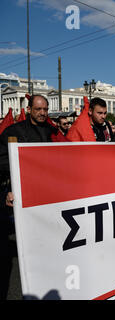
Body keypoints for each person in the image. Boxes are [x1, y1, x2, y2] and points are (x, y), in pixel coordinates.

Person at [0, 95, 59, 298]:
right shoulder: (13, 133)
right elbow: (2, 163)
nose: (43, 113)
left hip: (48, 195)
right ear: (30, 109)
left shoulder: (53, 132)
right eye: (38, 109)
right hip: (23, 194)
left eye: (45, 109)